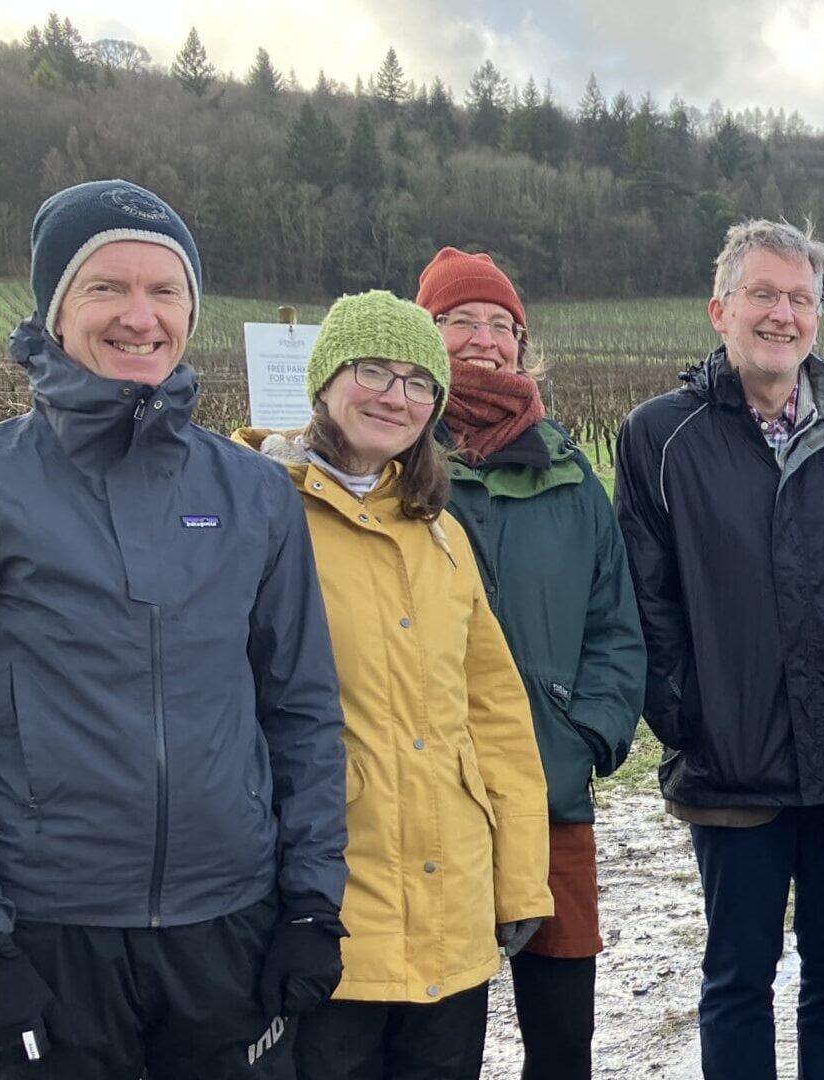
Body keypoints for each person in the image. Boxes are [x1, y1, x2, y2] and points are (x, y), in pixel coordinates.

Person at [0, 179, 347, 1078]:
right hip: (49, 933)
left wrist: (313, 905)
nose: (141, 316)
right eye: (106, 287)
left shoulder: (252, 494)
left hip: (230, 928)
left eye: (165, 291)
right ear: (55, 311)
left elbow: (304, 711)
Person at [613, 220, 824, 1080]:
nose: (783, 314)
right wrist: (690, 715)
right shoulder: (661, 437)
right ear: (720, 309)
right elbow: (646, 600)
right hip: (734, 760)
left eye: (800, 298)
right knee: (736, 980)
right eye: (764, 294)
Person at [234, 291, 552, 1079]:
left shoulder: (441, 531)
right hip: (330, 902)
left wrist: (518, 882)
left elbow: (495, 715)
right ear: (324, 381)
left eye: (419, 383)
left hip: (450, 905)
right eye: (372, 370)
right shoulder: (261, 514)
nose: (395, 396)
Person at [418, 248, 646, 1080]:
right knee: (444, 1037)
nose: (483, 340)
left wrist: (584, 734)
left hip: (550, 796)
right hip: (433, 804)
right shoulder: (397, 460)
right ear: (425, 332)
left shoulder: (568, 472)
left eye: (500, 326)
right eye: (460, 322)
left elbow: (616, 625)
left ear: (522, 344)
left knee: (561, 1036)